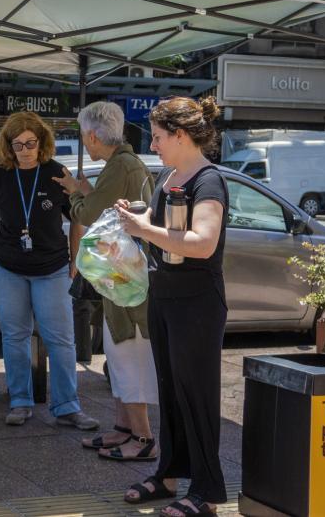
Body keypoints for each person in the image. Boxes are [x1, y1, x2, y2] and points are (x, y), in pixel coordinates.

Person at [115, 96, 228, 516]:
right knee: (172, 392)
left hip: (197, 303)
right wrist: (137, 214)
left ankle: (207, 493)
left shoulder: (208, 180)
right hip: (165, 296)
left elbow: (203, 242)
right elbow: (164, 219)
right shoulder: (170, 175)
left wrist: (145, 229)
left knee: (196, 396)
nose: (155, 145)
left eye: (159, 137)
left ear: (180, 136)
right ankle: (167, 475)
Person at [52, 101, 159, 461]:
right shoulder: (129, 163)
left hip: (125, 279)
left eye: (84, 137)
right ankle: (124, 429)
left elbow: (87, 213)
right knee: (118, 351)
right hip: (124, 275)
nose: (85, 144)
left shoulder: (120, 166)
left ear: (94, 136)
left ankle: (142, 439)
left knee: (128, 356)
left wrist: (74, 190)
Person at [0, 111, 98, 430]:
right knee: (14, 335)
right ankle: (20, 401)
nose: (25, 150)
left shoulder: (57, 172)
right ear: (8, 145)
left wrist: (76, 259)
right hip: (7, 267)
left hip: (52, 267)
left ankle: (67, 406)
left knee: (60, 338)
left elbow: (77, 219)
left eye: (31, 143)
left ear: (42, 141)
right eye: (18, 144)